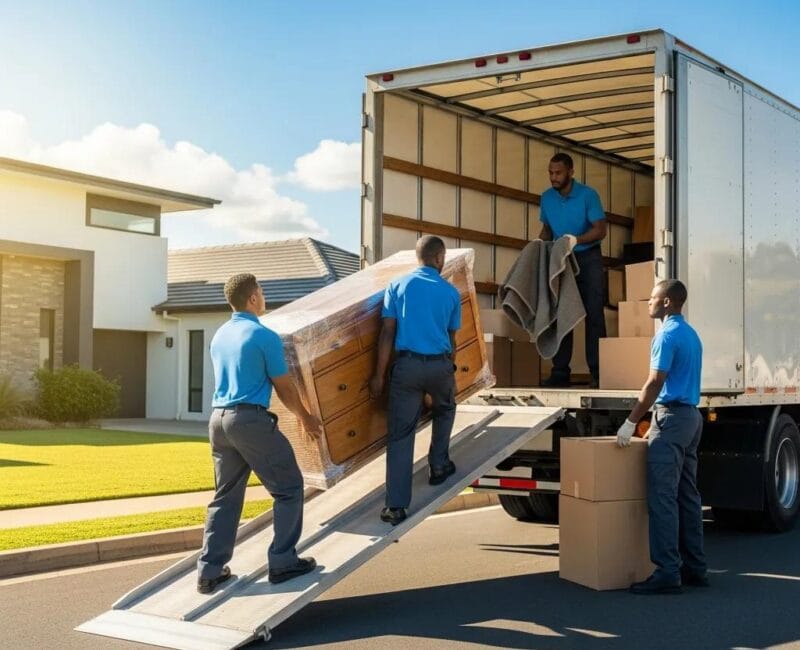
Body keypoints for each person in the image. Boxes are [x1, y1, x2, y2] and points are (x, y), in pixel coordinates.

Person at [196, 273, 322, 594]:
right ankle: (282, 562)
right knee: (290, 487)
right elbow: (284, 387)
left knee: (225, 497)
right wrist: (306, 417)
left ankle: (209, 571)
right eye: (262, 292)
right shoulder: (263, 335)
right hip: (249, 421)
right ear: (252, 298)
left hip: (218, 420)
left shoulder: (220, 335)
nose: (264, 296)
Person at [616, 279, 707, 595]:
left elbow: (655, 382)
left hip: (670, 420)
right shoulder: (691, 334)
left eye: (653, 298)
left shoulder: (665, 336)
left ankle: (667, 571)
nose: (649, 303)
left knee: (662, 497)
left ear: (668, 302)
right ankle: (695, 567)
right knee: (687, 495)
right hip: (692, 418)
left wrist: (631, 421)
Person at [369, 235, 461, 525]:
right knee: (445, 408)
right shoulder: (450, 292)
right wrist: (450, 370)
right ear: (439, 258)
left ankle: (395, 506)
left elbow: (387, 332)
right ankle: (438, 465)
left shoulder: (397, 285)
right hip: (439, 366)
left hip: (406, 368)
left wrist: (379, 375)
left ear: (418, 257)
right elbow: (452, 338)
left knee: (400, 434)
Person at [539, 152, 607, 388]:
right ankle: (560, 372)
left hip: (589, 258)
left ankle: (598, 372)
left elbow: (600, 229)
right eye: (550, 173)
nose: (553, 177)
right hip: (563, 260)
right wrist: (539, 250)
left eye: (558, 173)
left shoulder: (588, 195)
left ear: (571, 172)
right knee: (561, 315)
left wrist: (577, 240)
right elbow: (547, 230)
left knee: (594, 314)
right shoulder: (546, 198)